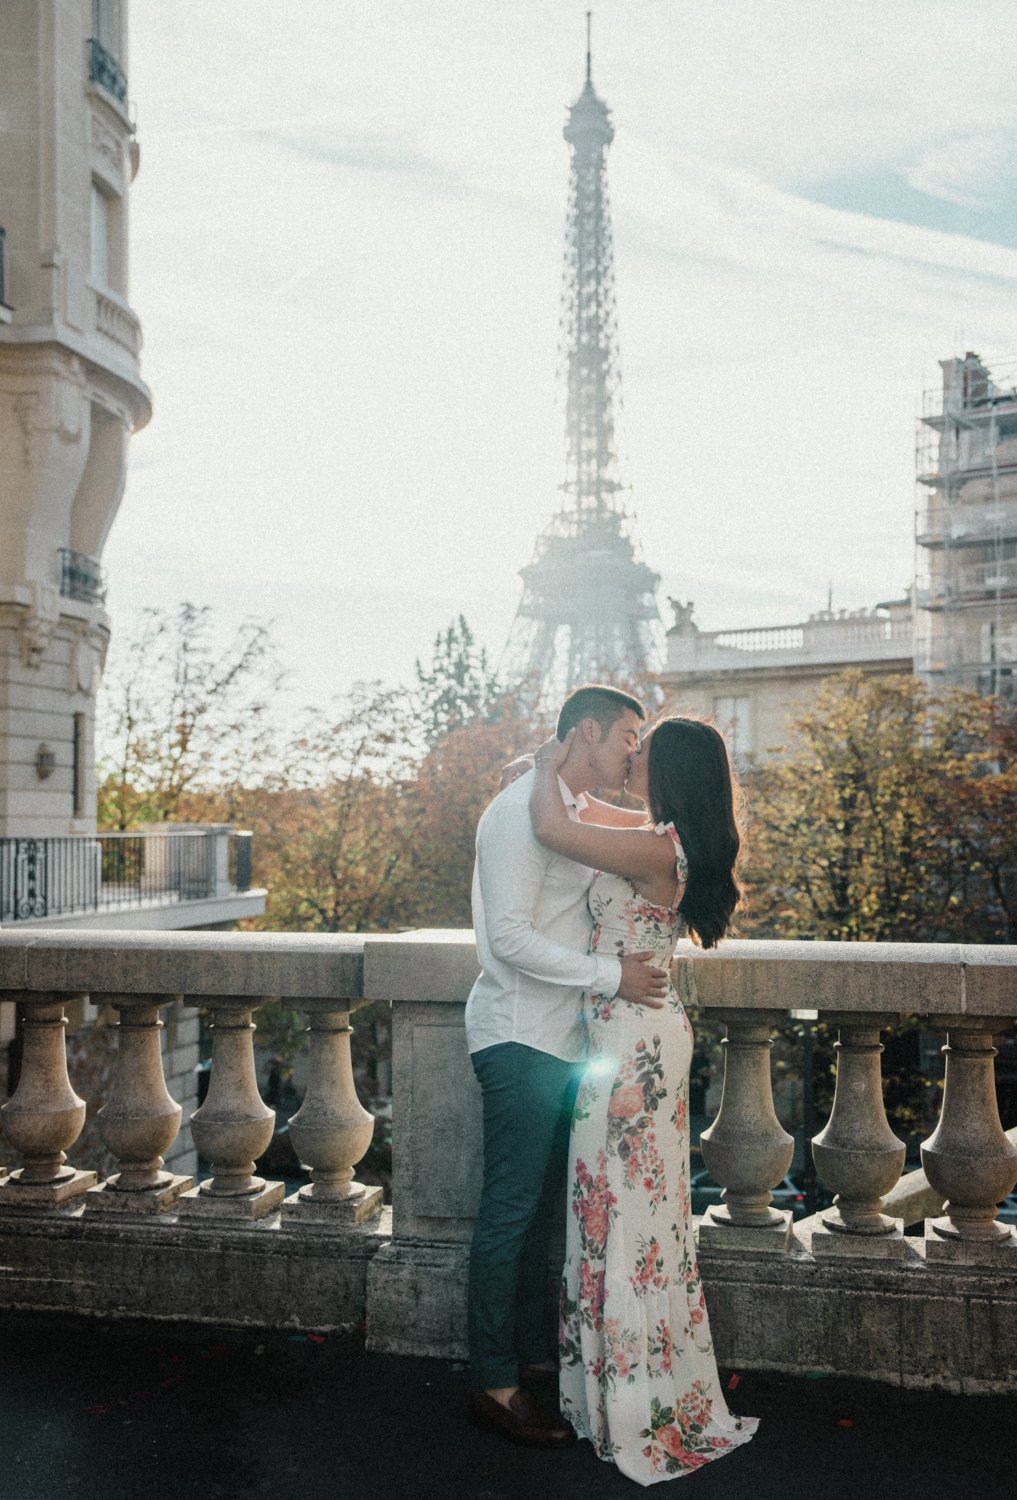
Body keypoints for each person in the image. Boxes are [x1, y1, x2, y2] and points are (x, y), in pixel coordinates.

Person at [528, 715, 759, 1485]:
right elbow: (588, 816)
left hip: (633, 1047)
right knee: (619, 1210)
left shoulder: (657, 847)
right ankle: (627, 1395)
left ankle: (632, 1406)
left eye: (644, 750)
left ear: (671, 770)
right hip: (628, 1036)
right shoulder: (657, 833)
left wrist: (545, 765)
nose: (630, 755)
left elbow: (558, 828)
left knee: (619, 1211)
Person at [465, 685, 671, 1450]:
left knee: (538, 1219)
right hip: (519, 1039)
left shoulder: (566, 810)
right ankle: (491, 1382)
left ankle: (525, 1361)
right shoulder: (519, 813)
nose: (629, 751)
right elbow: (507, 942)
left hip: (562, 1046)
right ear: (584, 731)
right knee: (509, 1214)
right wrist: (611, 976)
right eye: (625, 734)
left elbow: (655, 832)